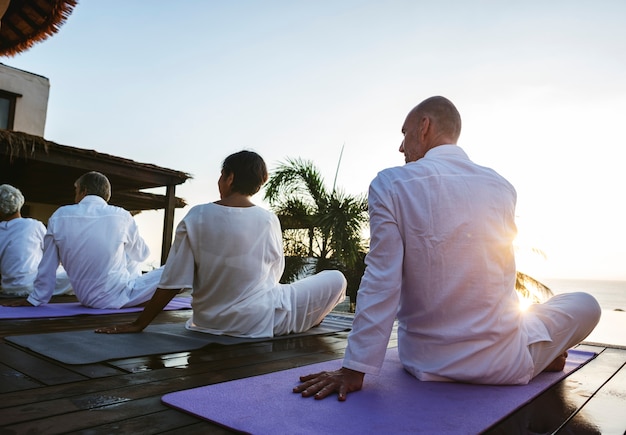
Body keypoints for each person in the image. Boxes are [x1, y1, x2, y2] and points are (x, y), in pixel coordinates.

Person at [293, 96, 601, 401]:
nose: (401, 147)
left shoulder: (390, 184)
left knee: (533, 316)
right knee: (586, 304)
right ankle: (546, 353)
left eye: (404, 133)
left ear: (424, 126)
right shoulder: (501, 186)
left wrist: (353, 370)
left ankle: (545, 351)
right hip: (504, 363)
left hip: (423, 361)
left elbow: (382, 279)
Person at [95, 150, 347, 338]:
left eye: (221, 175)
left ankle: (308, 318)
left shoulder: (196, 215)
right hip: (258, 321)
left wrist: (140, 324)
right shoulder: (268, 219)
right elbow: (274, 274)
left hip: (209, 322)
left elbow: (173, 280)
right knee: (336, 278)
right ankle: (311, 319)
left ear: (230, 177)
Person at [3, 172, 162, 308]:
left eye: (76, 191)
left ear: (83, 192)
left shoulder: (59, 215)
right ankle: (132, 286)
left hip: (85, 298)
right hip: (116, 297)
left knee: (123, 250)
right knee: (174, 265)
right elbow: (142, 255)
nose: (75, 195)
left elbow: (48, 265)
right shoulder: (121, 215)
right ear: (106, 195)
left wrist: (36, 299)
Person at [0, 184, 72, 297]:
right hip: (34, 285)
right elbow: (53, 253)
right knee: (80, 275)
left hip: (10, 288)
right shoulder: (33, 225)